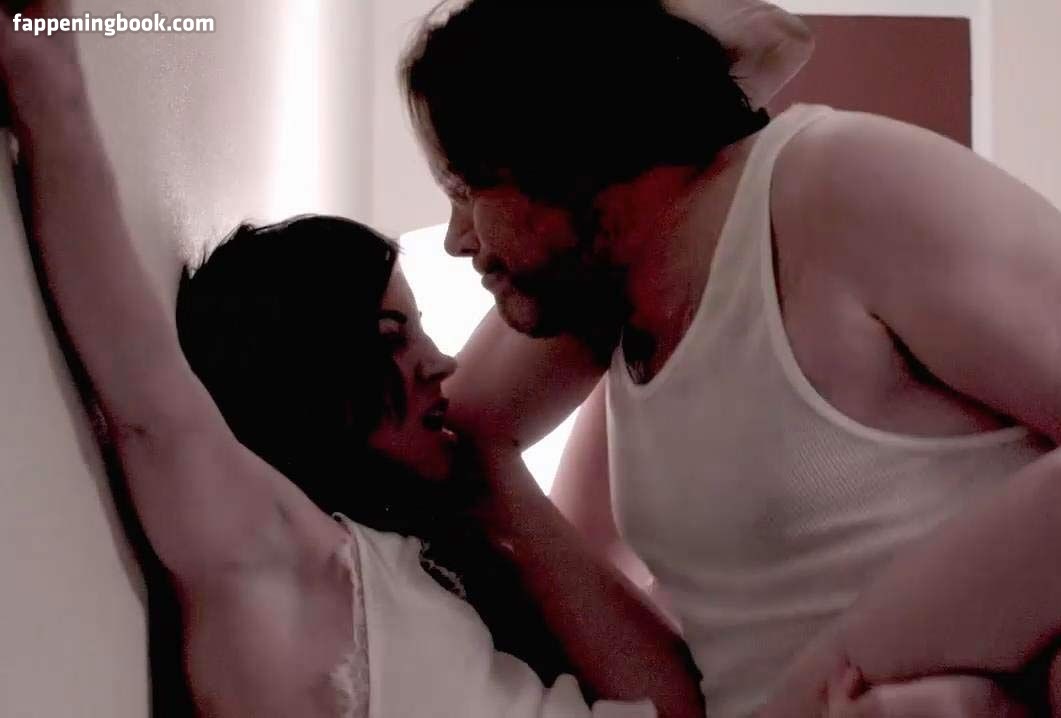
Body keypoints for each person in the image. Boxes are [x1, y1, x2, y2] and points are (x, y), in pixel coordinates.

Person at [401, 1, 1061, 715]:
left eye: (468, 190)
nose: (457, 239)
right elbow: (461, 430)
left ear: (572, 162)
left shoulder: (842, 186)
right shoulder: (607, 294)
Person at [0, 3, 703, 716]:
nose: (443, 363)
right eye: (393, 337)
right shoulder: (280, 559)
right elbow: (147, 398)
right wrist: (50, 90)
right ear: (310, 371)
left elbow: (675, 704)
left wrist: (485, 472)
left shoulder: (417, 567)